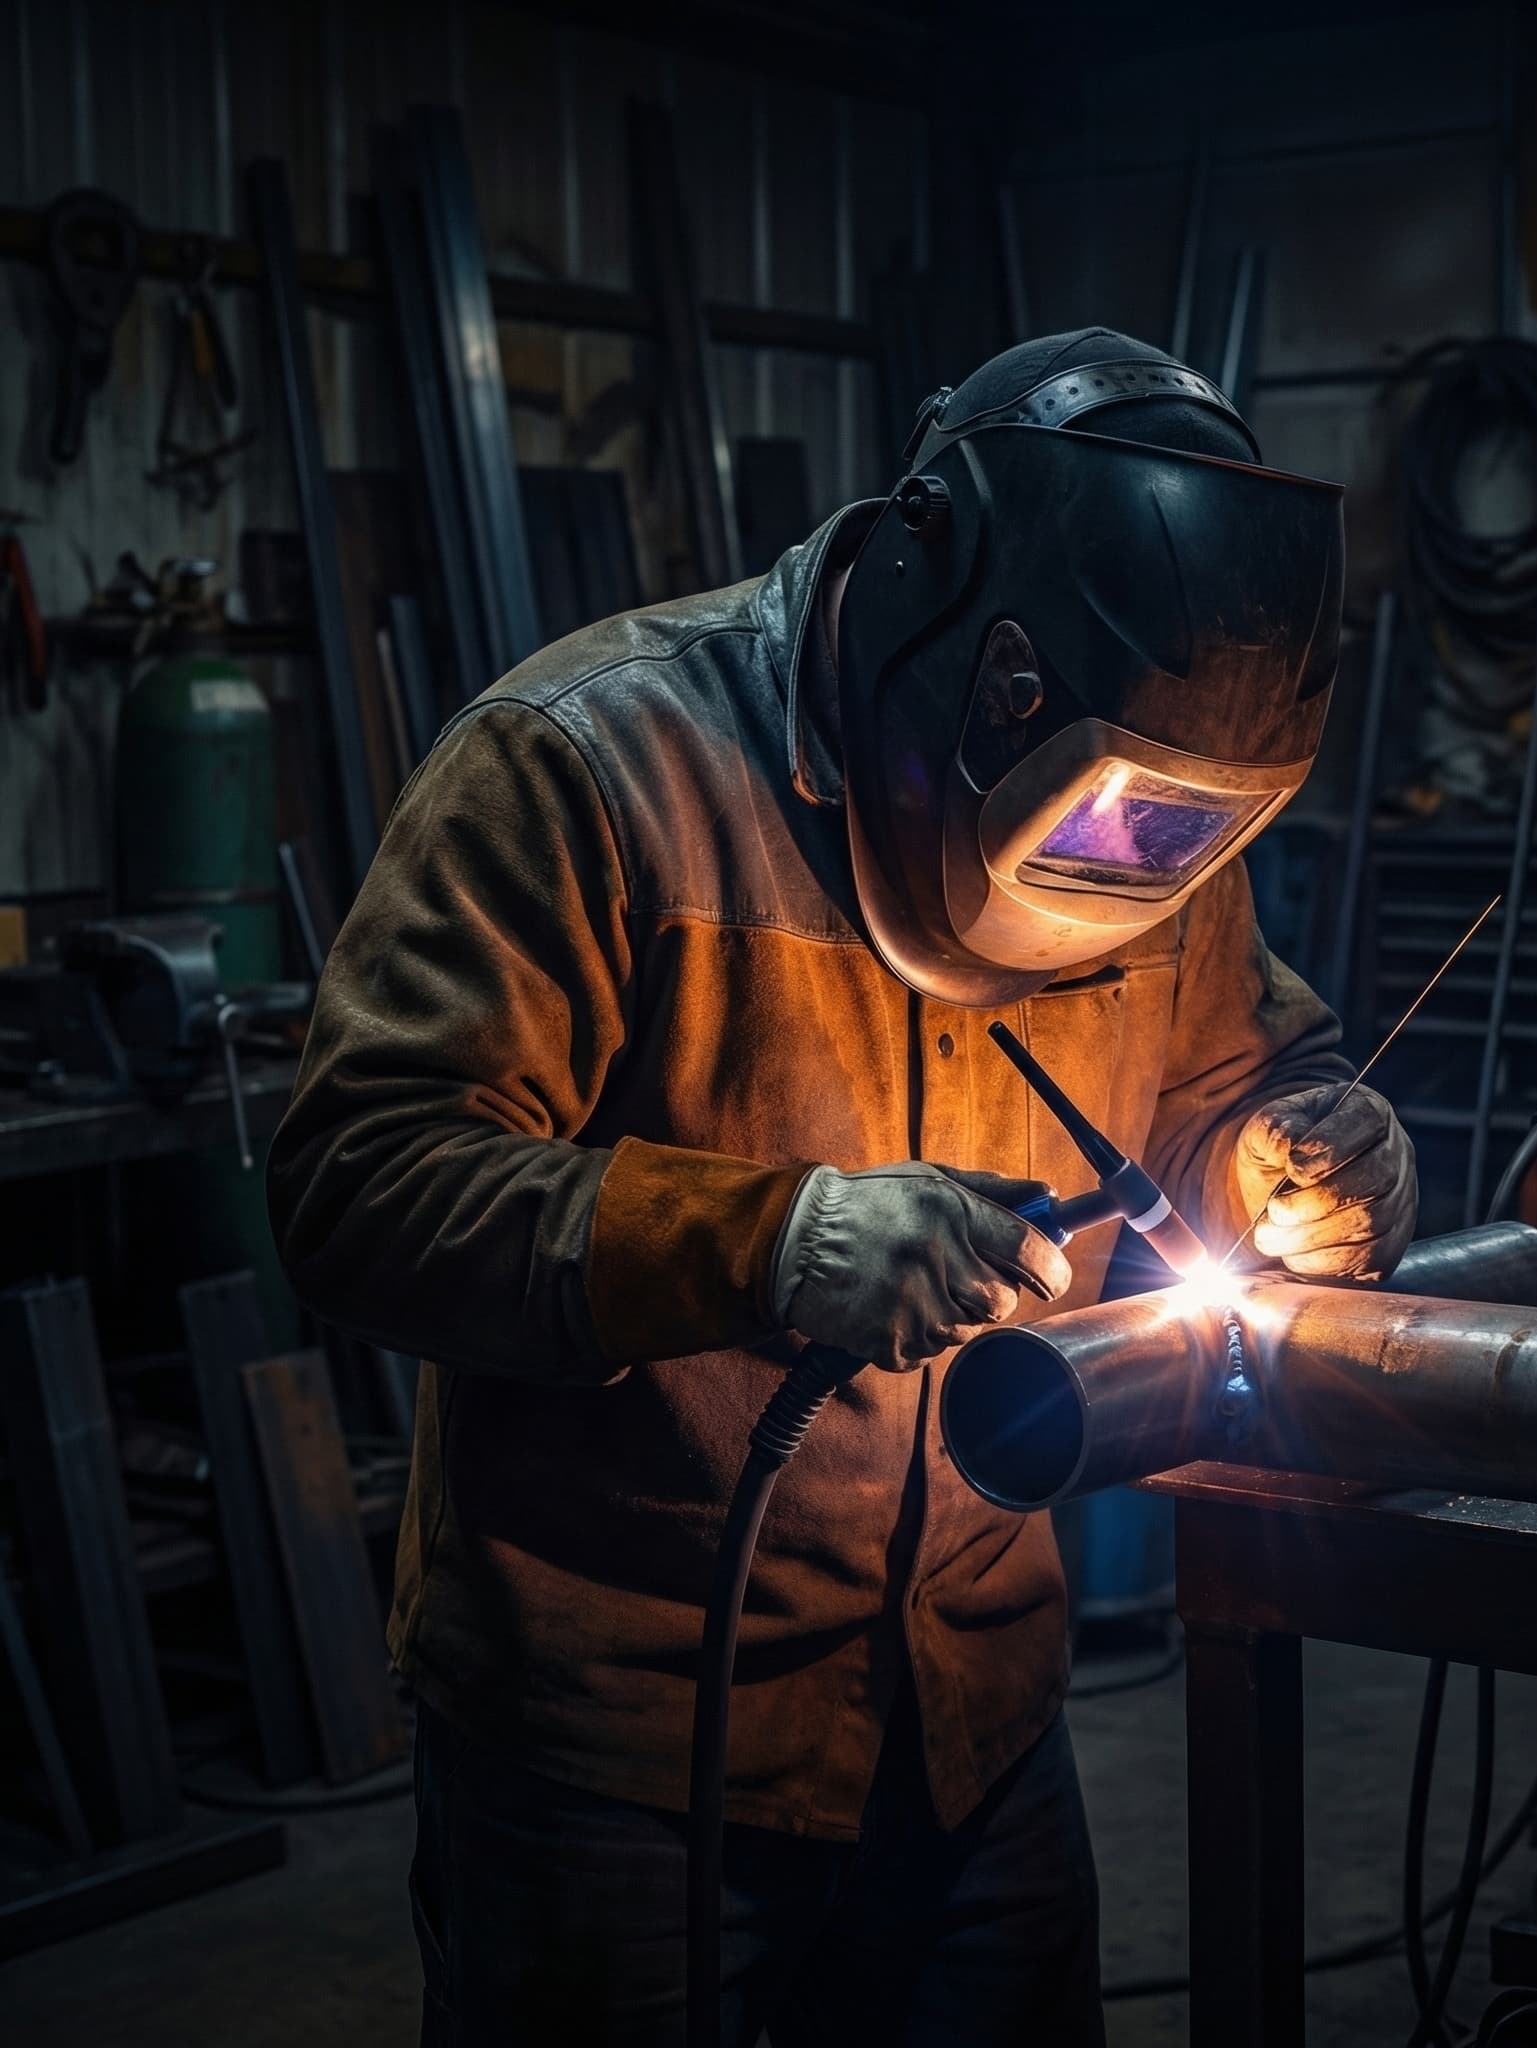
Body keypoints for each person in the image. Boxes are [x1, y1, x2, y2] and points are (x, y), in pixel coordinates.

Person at [268, 327, 1417, 2047]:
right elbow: (359, 1182)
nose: (1128, 883)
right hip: (628, 1752)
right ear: (956, 641)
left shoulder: (1158, 813)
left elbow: (1239, 1081)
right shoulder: (593, 765)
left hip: (979, 1720)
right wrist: (763, 1243)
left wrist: (1308, 1149)